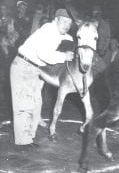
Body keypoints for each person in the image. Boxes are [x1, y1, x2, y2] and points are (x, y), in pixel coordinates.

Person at [10, 9, 74, 148]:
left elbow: (67, 38)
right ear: (55, 20)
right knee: (24, 105)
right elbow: (43, 54)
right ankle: (23, 142)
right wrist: (64, 56)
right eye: (64, 21)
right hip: (24, 65)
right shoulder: (48, 30)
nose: (67, 25)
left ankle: (29, 138)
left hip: (35, 69)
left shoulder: (57, 33)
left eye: (70, 23)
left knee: (35, 104)